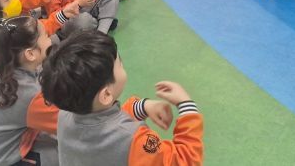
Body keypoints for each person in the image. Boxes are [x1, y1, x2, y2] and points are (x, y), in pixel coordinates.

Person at [40, 31, 204, 166]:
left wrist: (143, 106)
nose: (122, 65)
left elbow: (105, 124)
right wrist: (187, 106)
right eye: (119, 64)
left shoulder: (65, 114)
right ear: (106, 94)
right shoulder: (133, 140)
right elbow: (185, 160)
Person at [0, 16, 60, 166]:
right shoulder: (28, 95)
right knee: (61, 152)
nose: (50, 39)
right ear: (30, 54)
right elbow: (67, 124)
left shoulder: (0, 69)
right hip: (5, 159)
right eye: (46, 36)